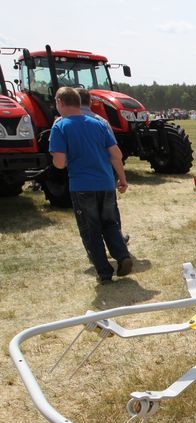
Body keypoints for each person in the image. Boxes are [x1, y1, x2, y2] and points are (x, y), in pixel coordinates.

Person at [49, 87, 132, 284]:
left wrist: (58, 159)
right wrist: (122, 178)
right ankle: (122, 256)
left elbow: (60, 163)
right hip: (105, 183)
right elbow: (116, 154)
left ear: (60, 102)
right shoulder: (99, 123)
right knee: (110, 224)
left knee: (90, 229)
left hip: (82, 186)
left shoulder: (60, 126)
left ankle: (104, 272)